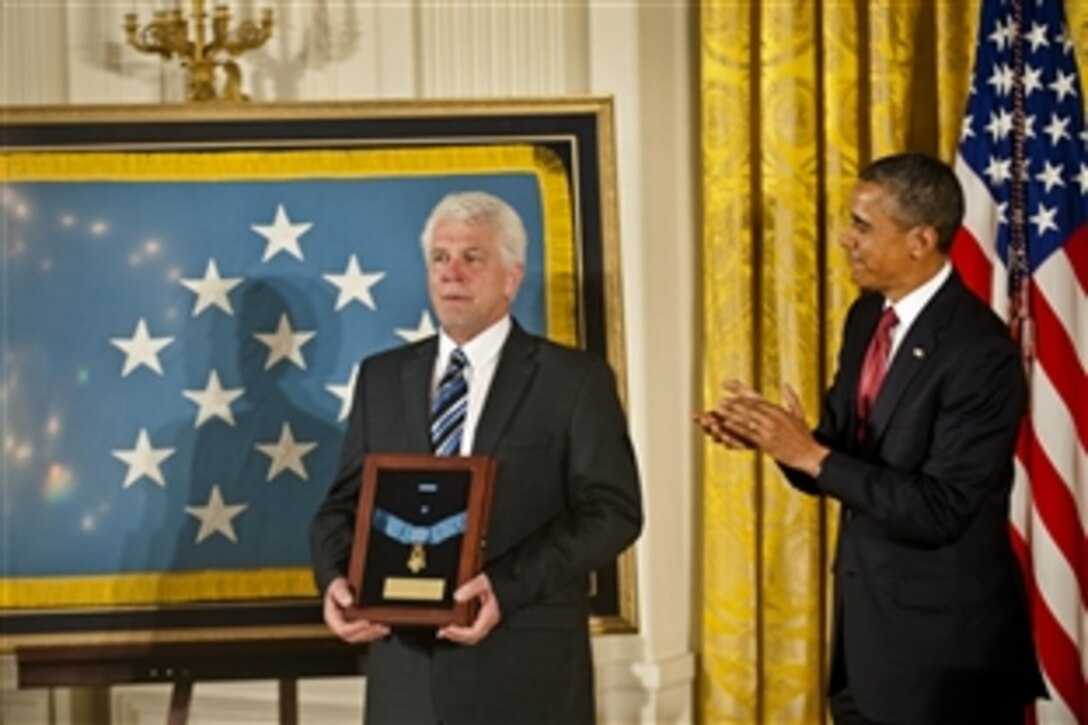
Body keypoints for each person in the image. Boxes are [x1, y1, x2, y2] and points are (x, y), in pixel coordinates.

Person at [696, 153, 1046, 724]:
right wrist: (775, 439)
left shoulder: (979, 353)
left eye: (862, 226)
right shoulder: (866, 319)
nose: (843, 238)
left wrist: (811, 453)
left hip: (946, 661)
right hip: (867, 648)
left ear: (920, 240)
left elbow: (941, 510)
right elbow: (842, 459)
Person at [311, 191, 643, 723]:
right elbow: (340, 509)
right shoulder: (381, 377)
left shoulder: (574, 381)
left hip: (525, 673)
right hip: (406, 681)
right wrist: (334, 581)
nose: (452, 273)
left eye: (473, 257)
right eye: (440, 258)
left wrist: (504, 588)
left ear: (512, 276)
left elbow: (614, 511)